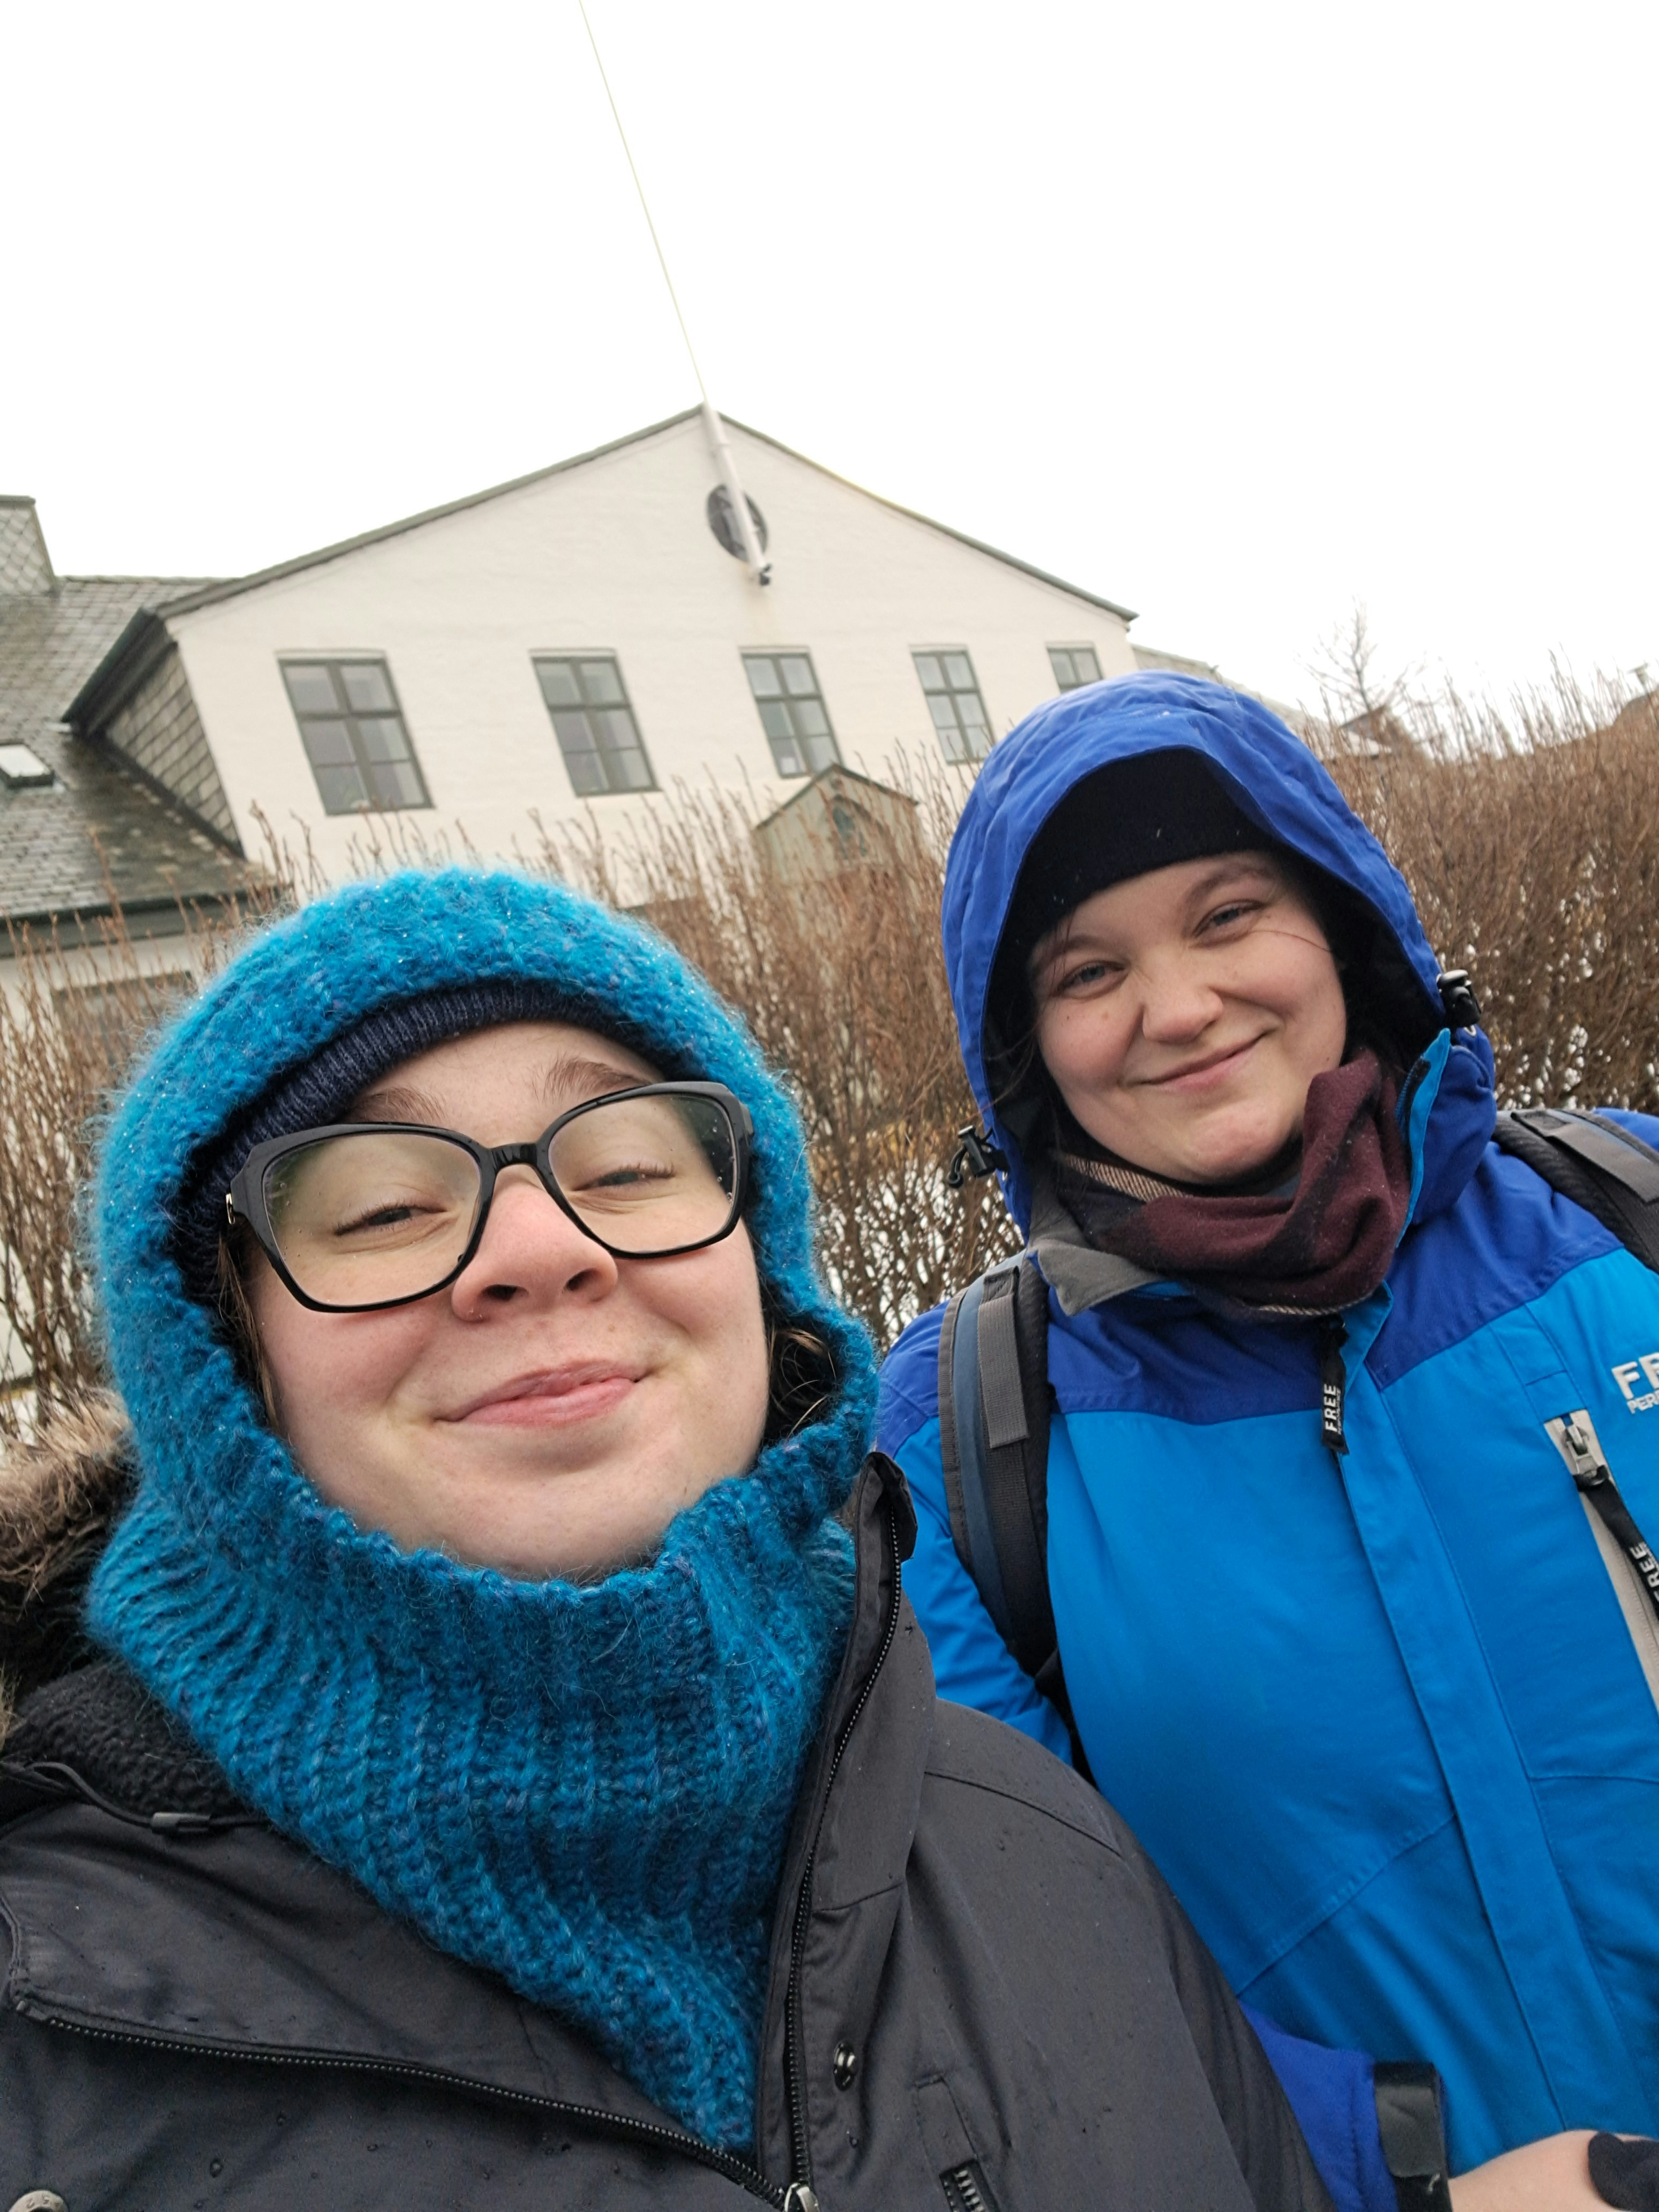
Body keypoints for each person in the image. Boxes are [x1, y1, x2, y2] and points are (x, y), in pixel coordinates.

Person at [0, 865, 1334, 2210]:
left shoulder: (1044, 1845)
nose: (536, 1245)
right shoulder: (40, 2039)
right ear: (221, 1352)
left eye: (627, 1164)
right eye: (384, 1208)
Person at [877, 671, 1659, 2211]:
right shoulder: (958, 1450)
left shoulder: (1625, 1217)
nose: (1178, 1006)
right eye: (1090, 969)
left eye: (1230, 915)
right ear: (1027, 1045)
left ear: (1342, 931)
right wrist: (1402, 2179)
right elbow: (1023, 1981)